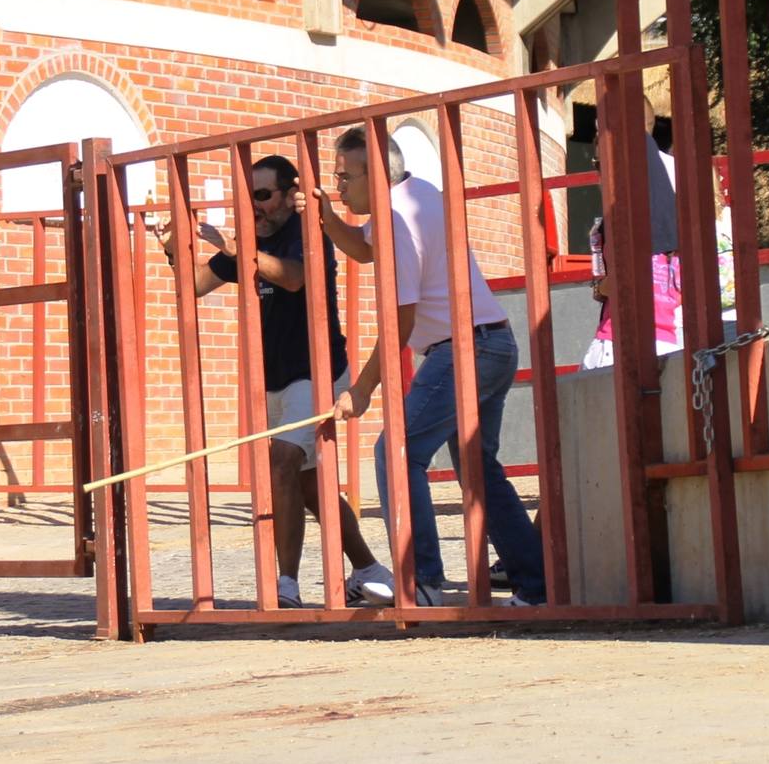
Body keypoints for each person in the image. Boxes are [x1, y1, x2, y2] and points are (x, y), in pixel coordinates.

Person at [300, 127, 546, 607]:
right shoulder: (417, 193)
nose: (339, 183)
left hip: (463, 348)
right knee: (478, 470)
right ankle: (538, 585)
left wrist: (363, 389)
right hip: (491, 341)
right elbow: (367, 248)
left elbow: (401, 317)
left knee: (396, 452)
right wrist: (329, 220)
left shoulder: (397, 219)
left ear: (376, 173)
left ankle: (424, 581)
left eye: (345, 175)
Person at [156, 154, 395, 609]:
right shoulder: (248, 240)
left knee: (283, 462)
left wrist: (236, 249)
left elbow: (293, 278)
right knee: (307, 484)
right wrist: (173, 248)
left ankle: (285, 586)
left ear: (288, 195)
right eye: (249, 197)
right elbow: (194, 285)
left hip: (317, 370)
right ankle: (368, 569)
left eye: (263, 196)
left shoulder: (308, 231)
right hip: (273, 378)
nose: (256, 206)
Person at [579, 106, 683, 370]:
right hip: (669, 342)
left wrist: (599, 287)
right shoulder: (678, 223)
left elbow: (620, 283)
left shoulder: (620, 222)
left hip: (617, 341)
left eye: (600, 164)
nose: (599, 176)